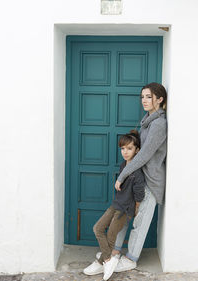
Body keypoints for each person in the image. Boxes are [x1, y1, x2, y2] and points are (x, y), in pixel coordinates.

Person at [112, 82, 167, 272]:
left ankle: (131, 258)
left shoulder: (159, 124)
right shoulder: (148, 119)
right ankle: (115, 252)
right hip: (139, 178)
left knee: (140, 222)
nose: (144, 100)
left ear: (159, 99)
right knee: (126, 216)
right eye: (142, 96)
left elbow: (144, 155)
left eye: (149, 97)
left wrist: (122, 176)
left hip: (151, 181)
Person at [83, 130, 145, 280]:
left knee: (111, 234)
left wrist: (135, 208)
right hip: (115, 205)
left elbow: (140, 194)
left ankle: (101, 262)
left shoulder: (137, 173)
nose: (125, 152)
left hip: (124, 210)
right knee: (97, 228)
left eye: (129, 148)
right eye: (123, 148)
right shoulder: (124, 165)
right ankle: (108, 260)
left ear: (137, 150)